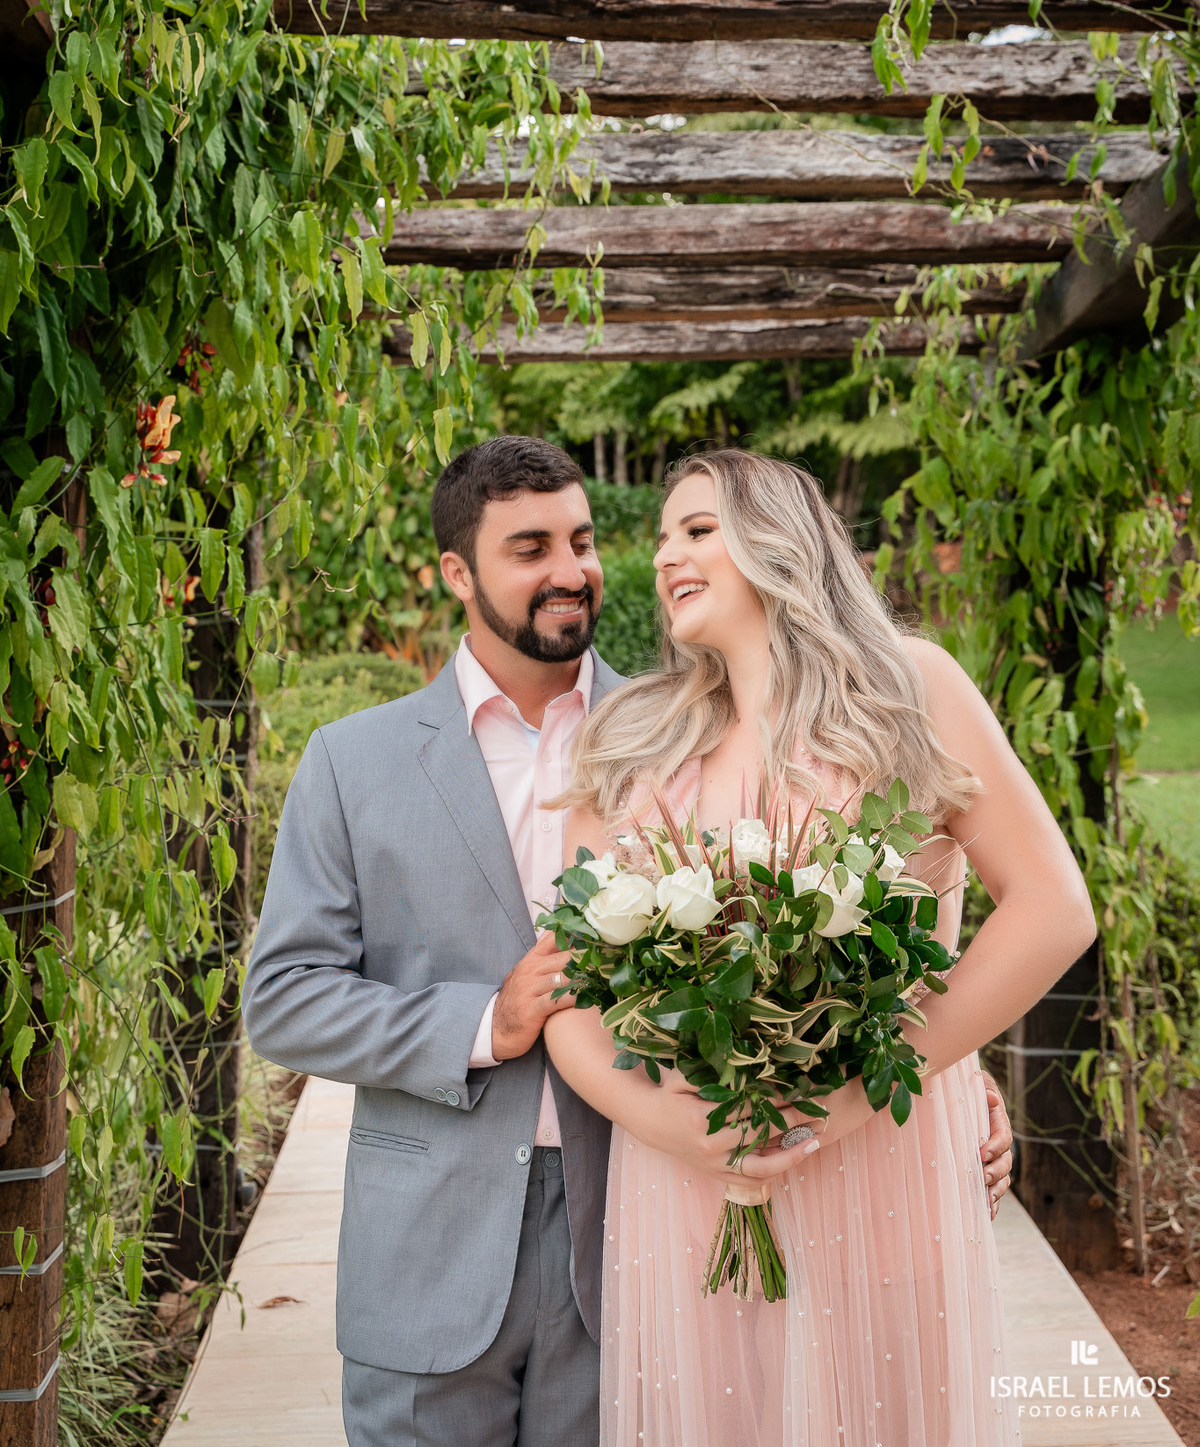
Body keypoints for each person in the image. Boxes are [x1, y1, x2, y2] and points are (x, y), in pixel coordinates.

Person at [242, 436, 1014, 1447]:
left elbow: (864, 885)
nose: (572, 570)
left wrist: (949, 1068)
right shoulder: (354, 762)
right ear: (456, 573)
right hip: (432, 1241)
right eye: (530, 548)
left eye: (584, 540)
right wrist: (485, 1019)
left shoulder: (685, 718)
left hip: (637, 1228)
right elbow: (286, 997)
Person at [544, 448, 1094, 1447]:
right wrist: (677, 1128)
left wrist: (877, 1085)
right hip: (685, 1180)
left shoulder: (907, 689)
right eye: (662, 535)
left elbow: (1053, 908)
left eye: (698, 529)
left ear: (780, 540)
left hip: (879, 1155)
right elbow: (570, 1000)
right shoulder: (631, 740)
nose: (667, 551)